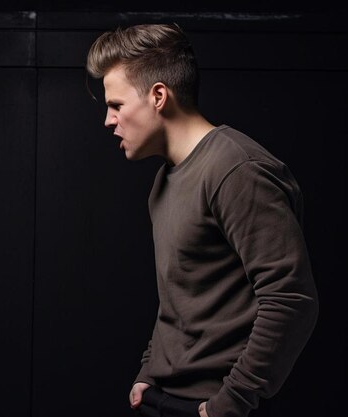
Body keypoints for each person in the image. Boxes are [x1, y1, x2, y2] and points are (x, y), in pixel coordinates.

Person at [86, 24, 318, 417]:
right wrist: (149, 370)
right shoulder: (164, 181)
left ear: (159, 96)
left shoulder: (235, 168)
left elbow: (291, 299)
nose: (109, 121)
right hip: (163, 398)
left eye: (117, 105)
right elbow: (180, 299)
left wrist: (231, 402)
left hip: (215, 406)